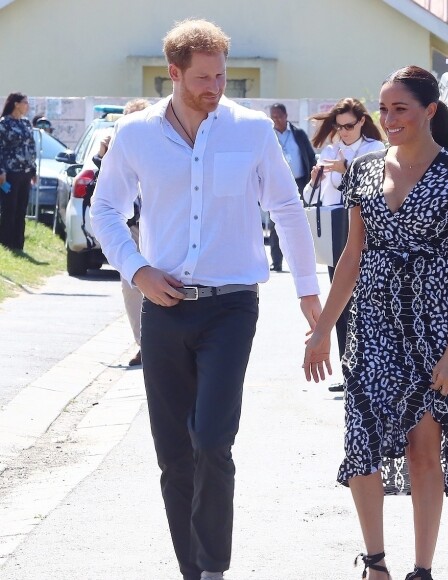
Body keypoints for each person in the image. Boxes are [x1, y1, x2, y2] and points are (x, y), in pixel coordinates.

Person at [90, 19, 321, 580]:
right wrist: (138, 269)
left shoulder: (251, 131)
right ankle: (191, 569)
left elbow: (287, 209)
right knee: (174, 455)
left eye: (221, 75)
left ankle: (214, 566)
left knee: (213, 440)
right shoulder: (136, 135)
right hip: (163, 307)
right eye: (202, 78)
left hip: (232, 306)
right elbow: (104, 210)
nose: (215, 87)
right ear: (173, 74)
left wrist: (309, 293)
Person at [303, 66, 448, 580]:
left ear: (429, 111)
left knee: (421, 447)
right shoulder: (365, 171)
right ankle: (375, 562)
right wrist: (322, 329)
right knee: (361, 442)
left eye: (400, 109)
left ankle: (422, 568)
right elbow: (352, 255)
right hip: (372, 329)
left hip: (434, 331)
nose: (388, 119)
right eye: (383, 109)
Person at [303, 97, 384, 392]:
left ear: (362, 122)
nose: (345, 131)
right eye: (339, 127)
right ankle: (349, 371)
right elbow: (312, 194)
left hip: (365, 239)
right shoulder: (328, 150)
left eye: (350, 125)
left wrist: (345, 168)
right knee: (340, 306)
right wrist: (315, 178)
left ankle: (368, 368)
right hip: (336, 236)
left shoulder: (375, 150)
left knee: (366, 305)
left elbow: (373, 191)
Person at [92, 98, 151, 367]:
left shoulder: (160, 144)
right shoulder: (117, 147)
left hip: (156, 226)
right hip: (130, 226)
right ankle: (144, 344)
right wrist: (103, 155)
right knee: (132, 285)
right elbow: (104, 195)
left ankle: (163, 343)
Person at [268, 102, 316, 271]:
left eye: (279, 116)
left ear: (286, 116)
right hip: (276, 184)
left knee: (299, 222)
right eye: (273, 117)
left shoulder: (298, 134)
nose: (276, 120)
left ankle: (302, 264)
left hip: (300, 183)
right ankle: (277, 261)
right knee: (276, 223)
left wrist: (314, 181)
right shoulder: (268, 135)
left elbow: (310, 157)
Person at [0, 93, 37, 250]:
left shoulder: (26, 123)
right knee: (10, 208)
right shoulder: (4, 124)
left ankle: (18, 244)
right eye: (25, 102)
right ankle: (6, 243)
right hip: (10, 172)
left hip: (25, 172)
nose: (27, 105)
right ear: (16, 104)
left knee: (22, 208)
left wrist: (33, 170)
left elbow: (31, 147)